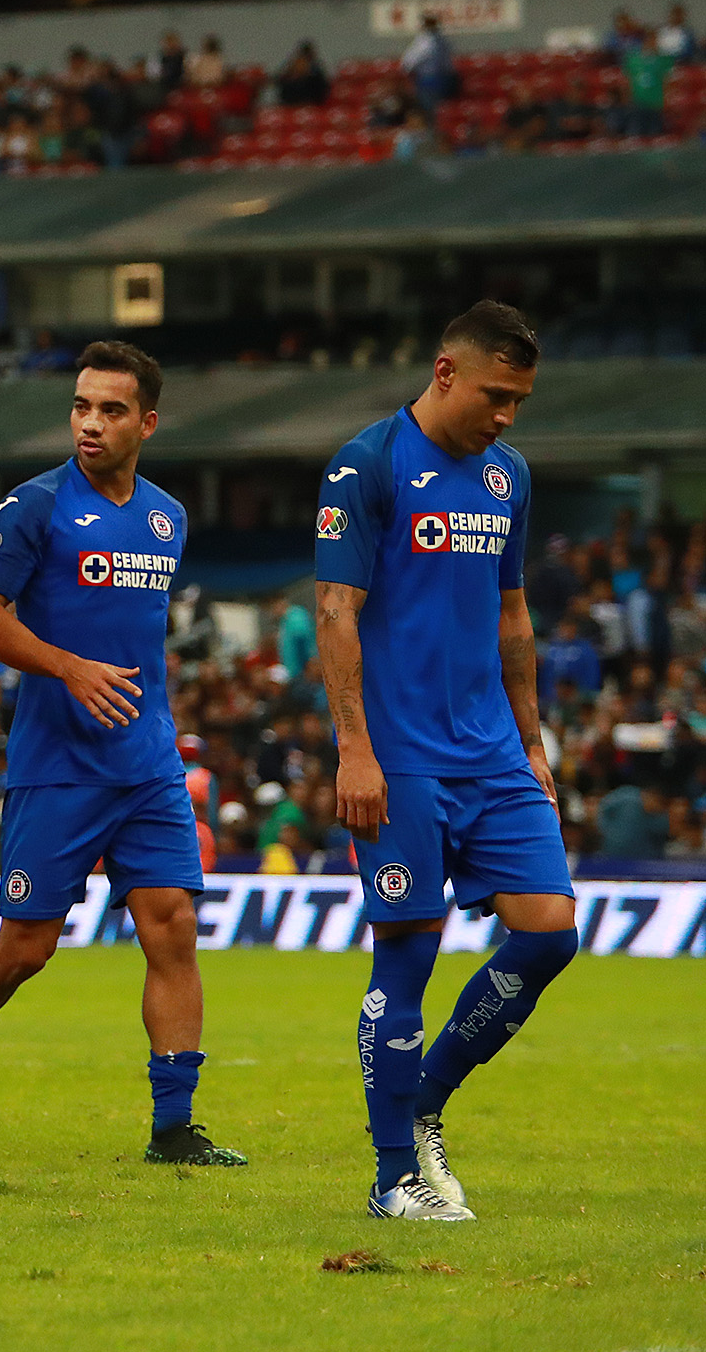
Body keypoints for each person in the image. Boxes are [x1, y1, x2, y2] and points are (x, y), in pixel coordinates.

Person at [0, 342, 246, 1171]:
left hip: (148, 762)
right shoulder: (35, 505)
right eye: (82, 406)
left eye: (112, 409)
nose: (91, 422)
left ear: (148, 422)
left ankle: (174, 1126)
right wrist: (68, 666)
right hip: (57, 765)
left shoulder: (167, 515)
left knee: (173, 930)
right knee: (26, 946)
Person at [314, 300, 577, 1222]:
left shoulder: (509, 477)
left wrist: (535, 742)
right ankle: (396, 1178)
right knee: (408, 957)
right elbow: (336, 609)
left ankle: (425, 1099)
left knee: (550, 930)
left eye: (519, 401)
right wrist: (354, 747)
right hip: (401, 759)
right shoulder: (369, 463)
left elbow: (513, 619)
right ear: (445, 372)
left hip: (495, 752)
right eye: (495, 395)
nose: (505, 416)